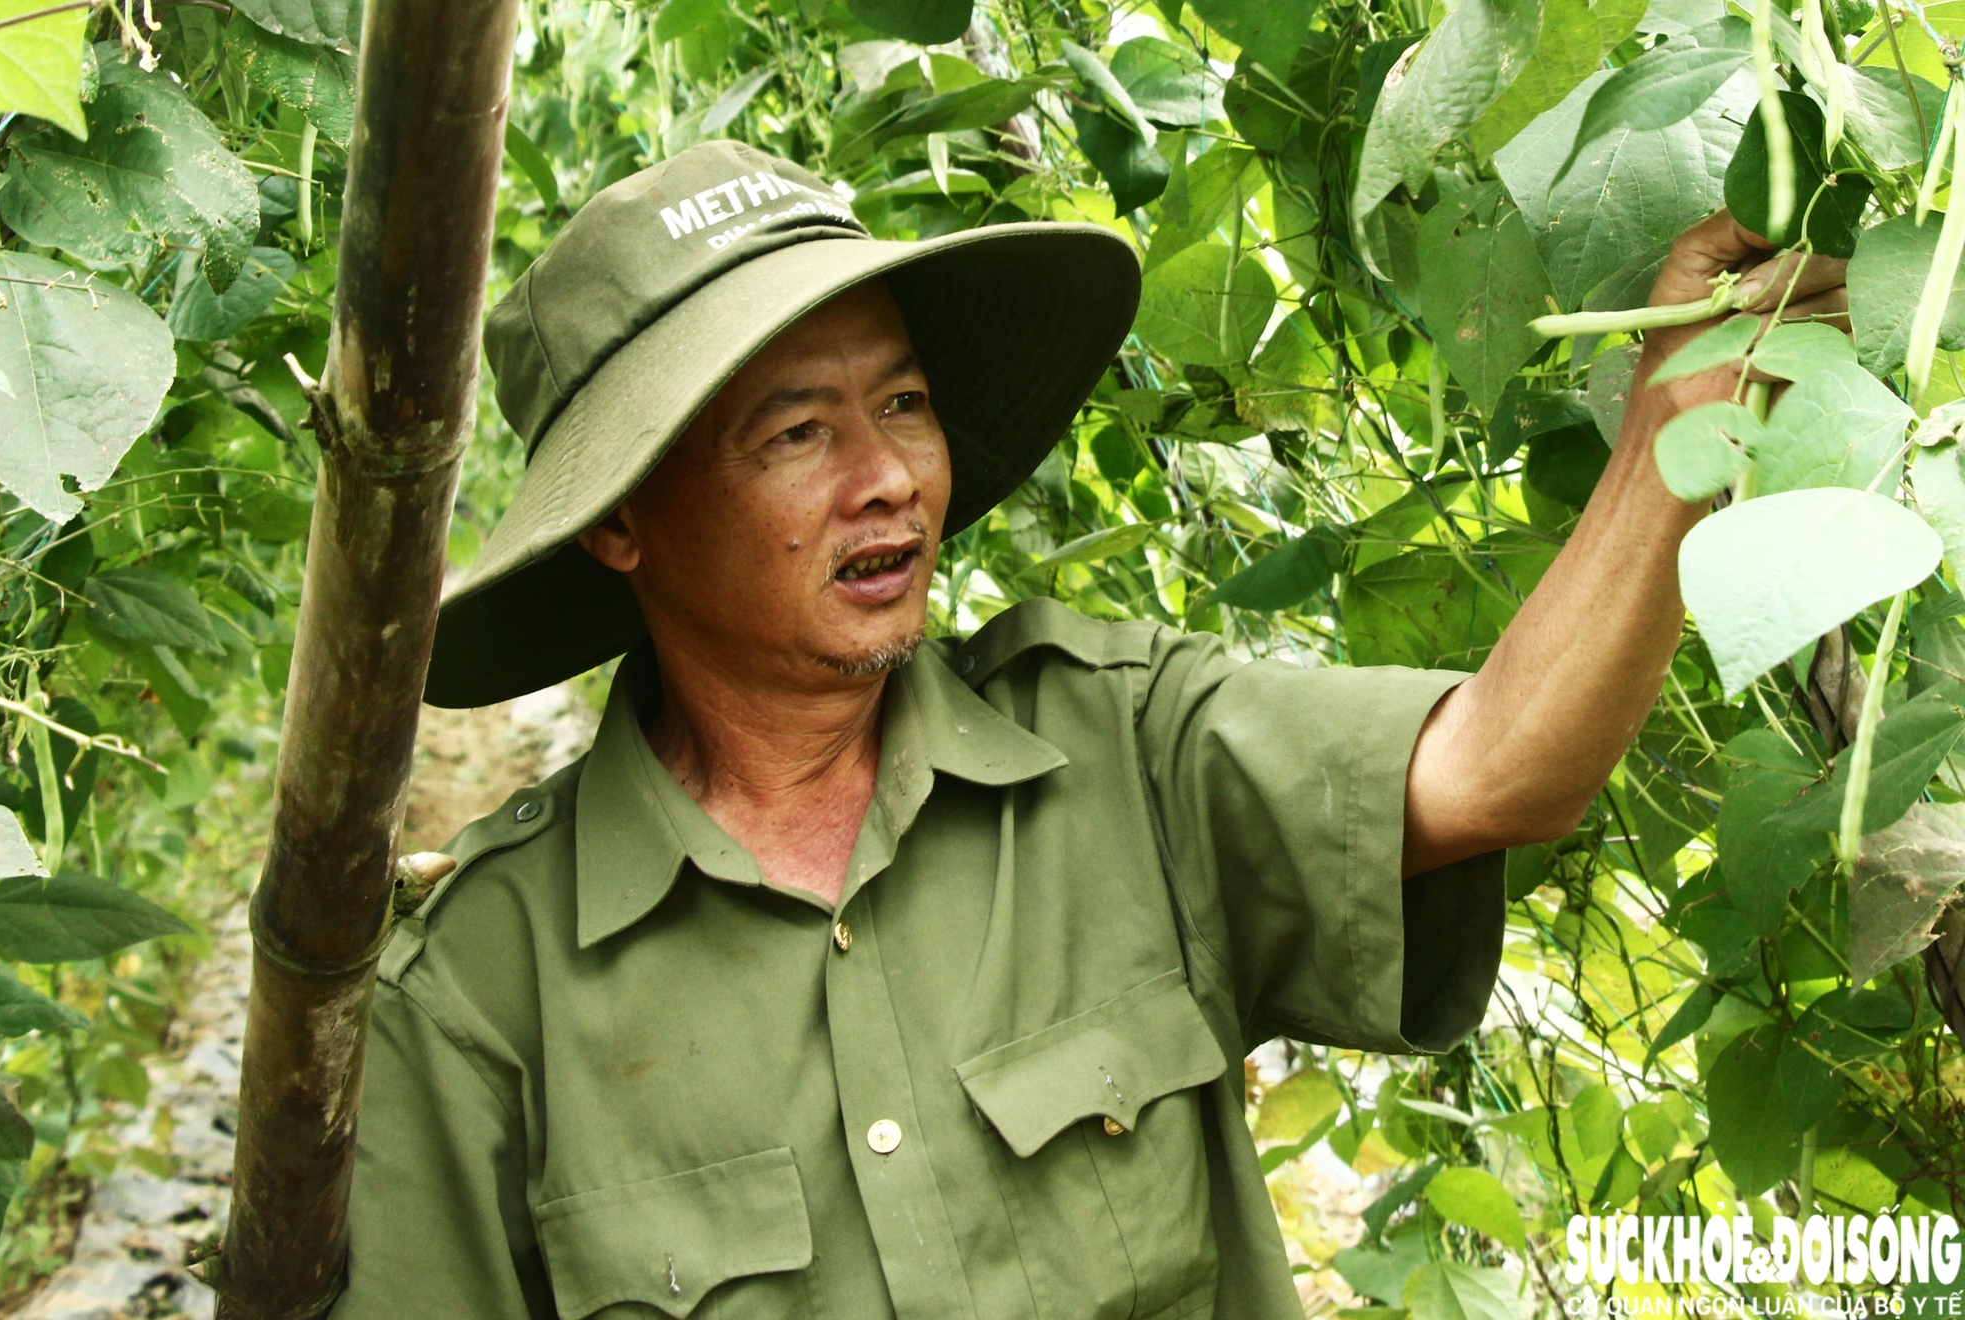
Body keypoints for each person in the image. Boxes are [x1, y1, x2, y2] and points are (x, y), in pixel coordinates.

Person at [330, 140, 1848, 1318]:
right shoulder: (483, 995)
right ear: (623, 528)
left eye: (906, 404)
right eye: (797, 432)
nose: (889, 479)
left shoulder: (1118, 750)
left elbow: (1495, 766)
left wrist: (1677, 426)